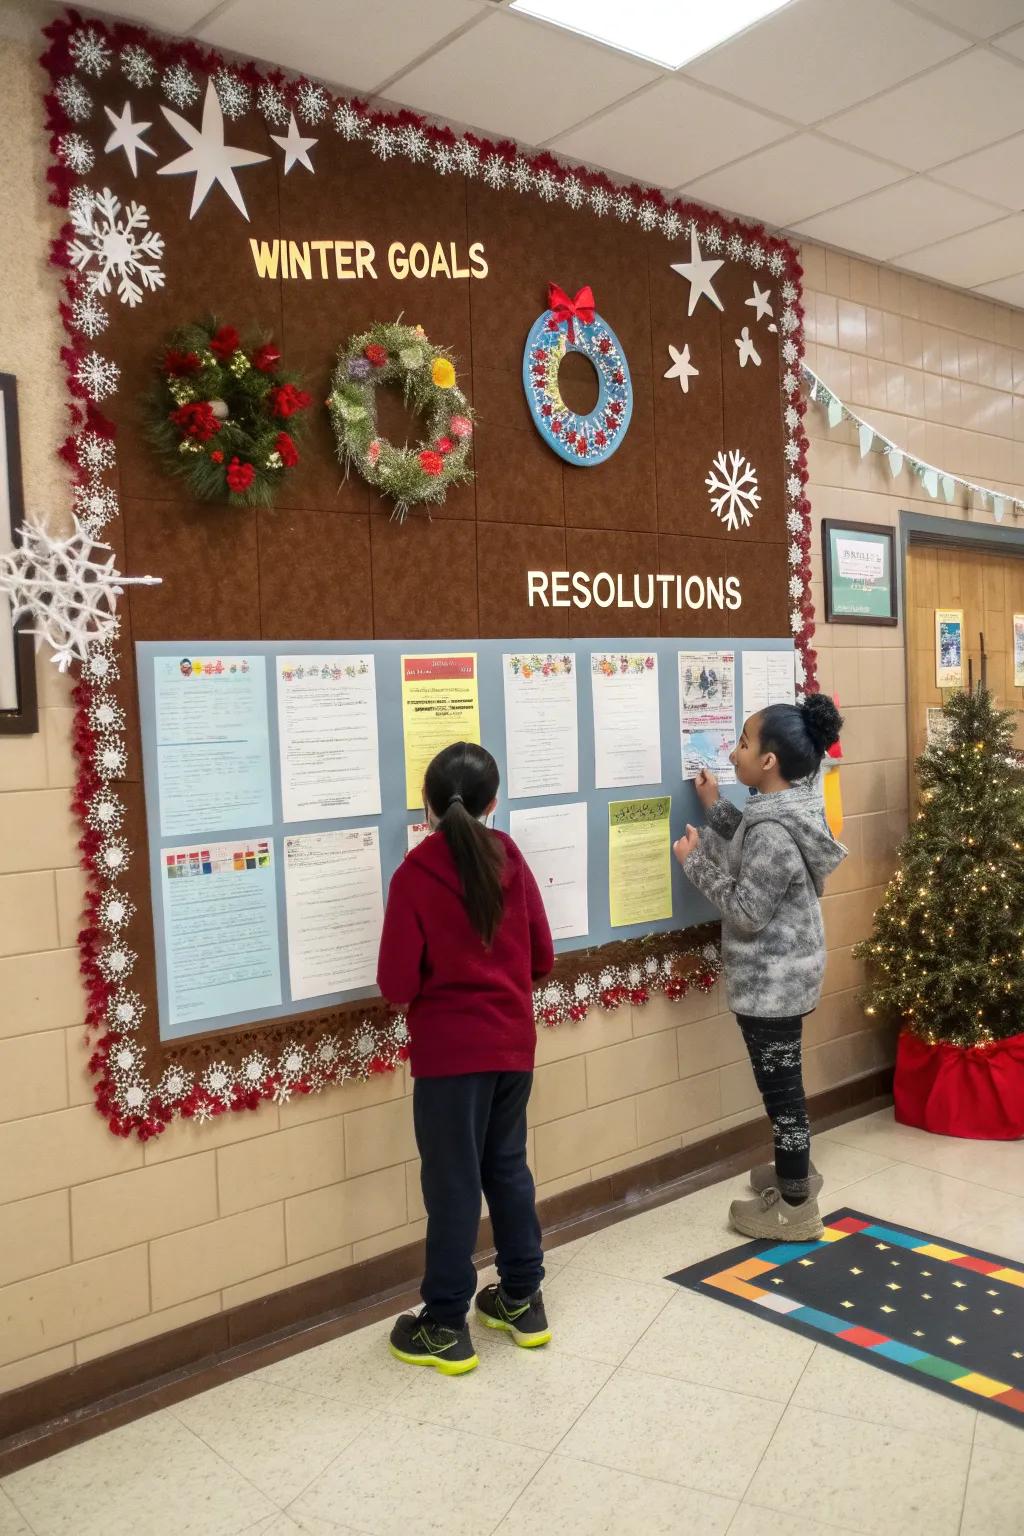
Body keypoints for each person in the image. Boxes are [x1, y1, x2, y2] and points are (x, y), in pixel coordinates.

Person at [377, 742, 555, 1375]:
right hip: (513, 1047)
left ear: (426, 805)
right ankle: (521, 1299)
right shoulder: (510, 857)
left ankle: (446, 1324)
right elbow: (542, 957)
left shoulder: (416, 875)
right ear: (493, 802)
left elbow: (396, 983)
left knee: (452, 1184)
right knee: (507, 1167)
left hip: (451, 1059)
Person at [672, 694, 846, 1241]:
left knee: (782, 1092)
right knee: (783, 1085)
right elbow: (751, 839)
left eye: (744, 742)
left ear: (768, 761)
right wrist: (716, 806)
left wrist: (694, 861)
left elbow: (747, 910)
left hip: (773, 985)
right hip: (784, 976)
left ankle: (796, 1203)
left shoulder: (774, 830)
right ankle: (793, 1171)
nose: (735, 749)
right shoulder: (786, 807)